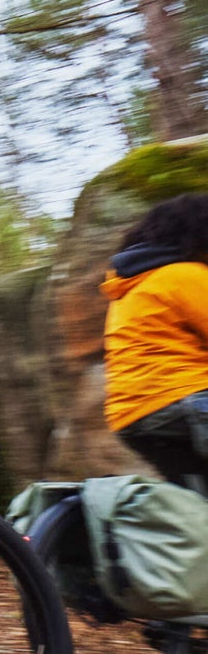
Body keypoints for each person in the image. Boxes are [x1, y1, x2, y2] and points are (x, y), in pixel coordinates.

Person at [102, 192, 208, 487]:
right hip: (184, 400)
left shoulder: (135, 285)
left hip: (132, 418)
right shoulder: (184, 275)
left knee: (198, 509)